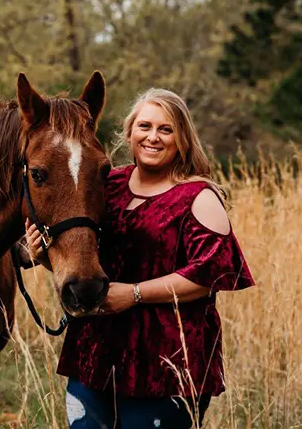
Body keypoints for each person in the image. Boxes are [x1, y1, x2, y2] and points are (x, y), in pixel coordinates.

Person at [25, 88, 254, 429]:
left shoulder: (197, 196)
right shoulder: (109, 184)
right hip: (96, 353)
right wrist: (42, 255)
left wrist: (133, 294)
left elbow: (208, 277)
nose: (153, 137)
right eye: (145, 126)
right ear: (129, 132)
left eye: (166, 129)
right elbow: (87, 255)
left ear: (183, 138)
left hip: (164, 363)